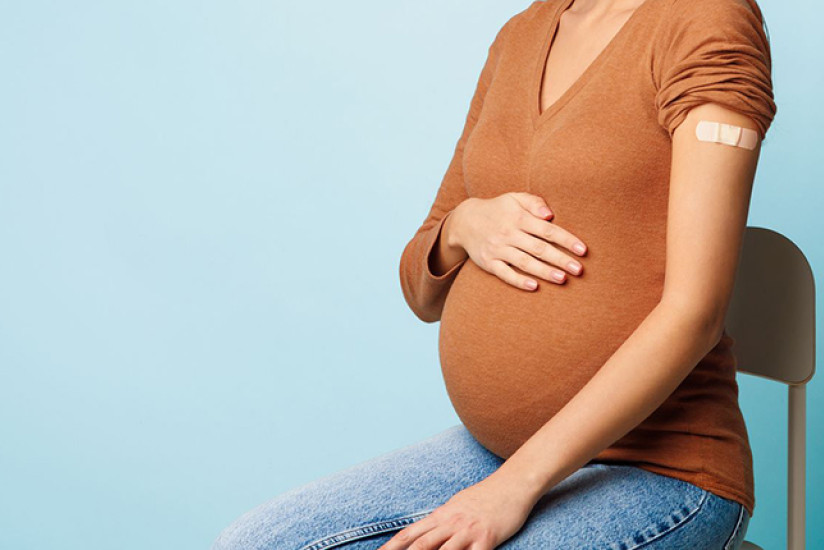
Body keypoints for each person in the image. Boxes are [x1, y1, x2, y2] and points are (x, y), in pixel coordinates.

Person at [211, 0, 777, 547]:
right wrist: (462, 225)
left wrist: (511, 490)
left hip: (659, 471)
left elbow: (696, 313)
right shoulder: (521, 33)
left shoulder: (705, 19)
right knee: (253, 542)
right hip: (494, 453)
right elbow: (420, 291)